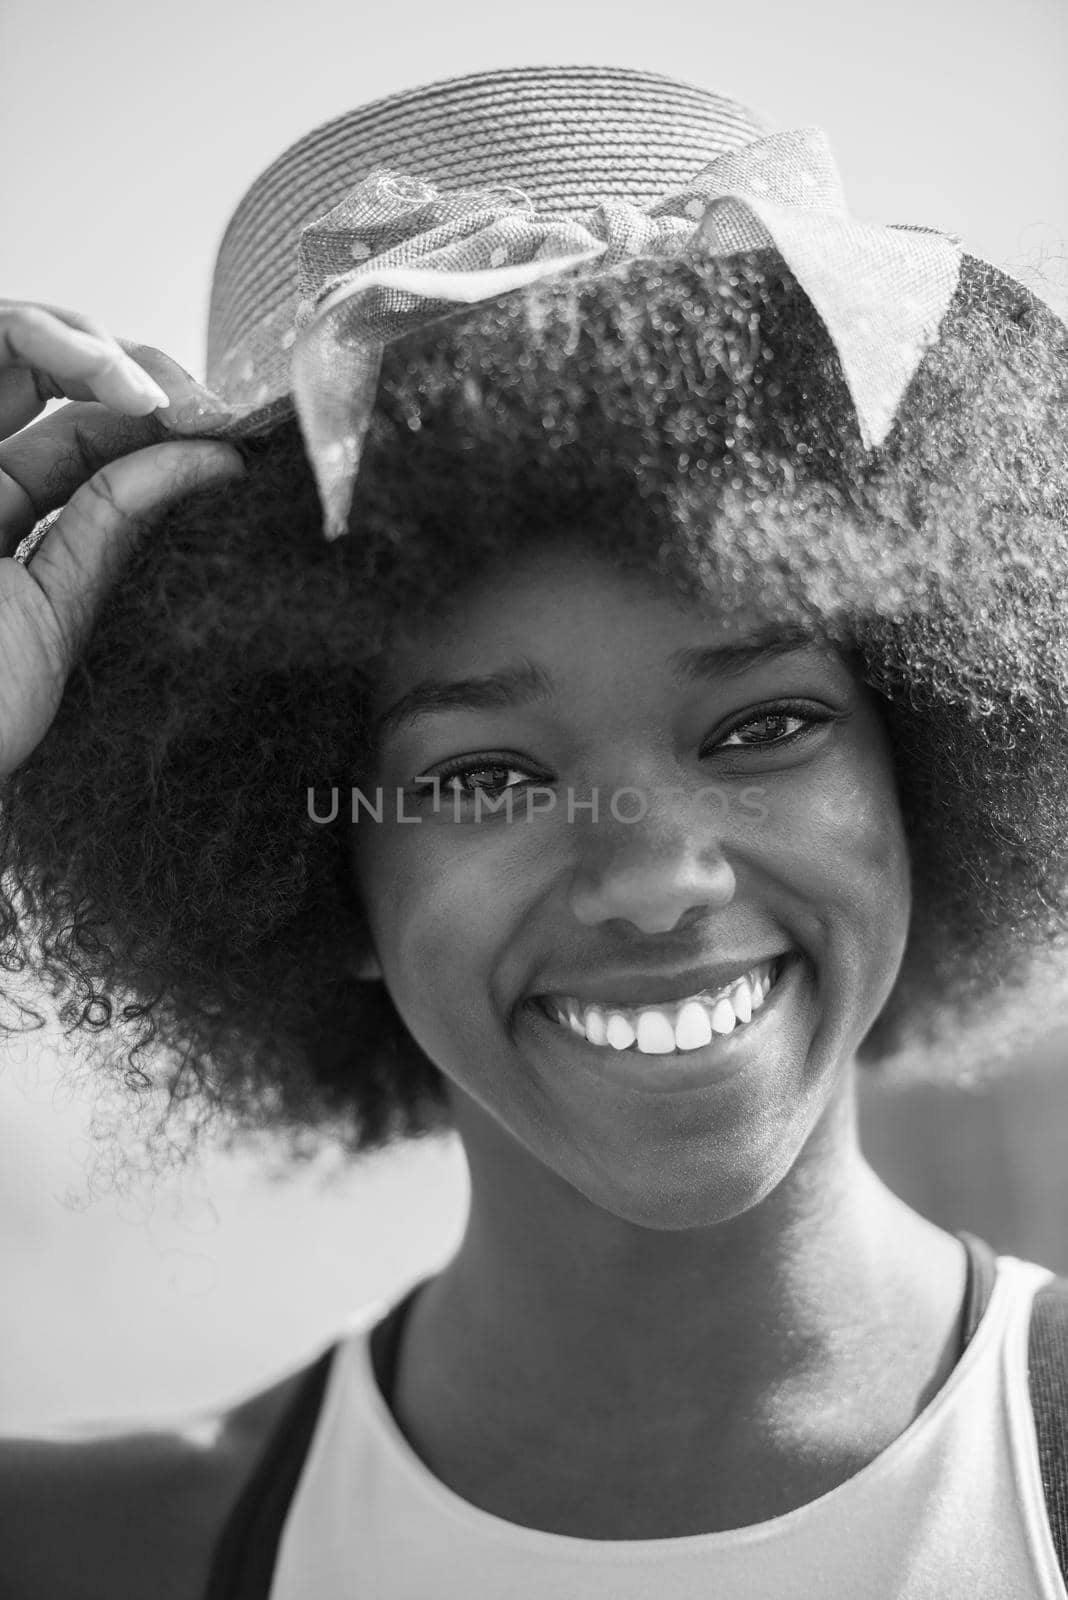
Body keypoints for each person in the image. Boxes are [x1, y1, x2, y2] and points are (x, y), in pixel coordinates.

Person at [2, 63, 1068, 1600]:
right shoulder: (94, 1557)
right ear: (318, 878)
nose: (652, 880)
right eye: (481, 778)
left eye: (763, 727)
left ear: (923, 770)